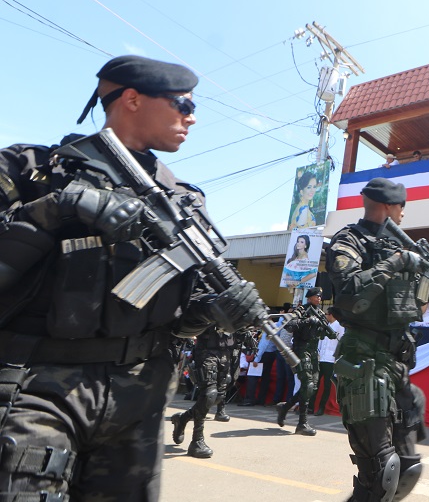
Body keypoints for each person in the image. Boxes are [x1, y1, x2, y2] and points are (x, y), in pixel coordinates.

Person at [0, 55, 267, 499]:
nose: (192, 117)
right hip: (37, 387)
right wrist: (57, 208)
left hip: (138, 399)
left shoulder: (185, 203)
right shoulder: (33, 169)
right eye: (183, 103)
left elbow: (174, 314)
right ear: (132, 99)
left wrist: (212, 311)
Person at [327, 177, 429, 501]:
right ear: (389, 206)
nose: (403, 214)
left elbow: (413, 298)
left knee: (405, 468)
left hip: (396, 361)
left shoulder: (398, 247)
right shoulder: (350, 240)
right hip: (364, 359)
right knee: (381, 470)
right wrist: (396, 262)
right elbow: (348, 293)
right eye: (401, 207)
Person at [276, 287, 336, 434]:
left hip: (314, 351)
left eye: (320, 297)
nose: (319, 299)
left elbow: (321, 334)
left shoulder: (321, 313)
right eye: (317, 296)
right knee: (308, 384)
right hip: (301, 349)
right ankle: (302, 423)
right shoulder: (301, 310)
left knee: (312, 387)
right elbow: (289, 326)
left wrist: (326, 332)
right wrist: (308, 320)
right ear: (309, 297)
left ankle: (285, 406)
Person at [171, 327, 235, 457]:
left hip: (225, 351)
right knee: (208, 395)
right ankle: (197, 441)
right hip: (206, 351)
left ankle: (183, 418)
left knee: (219, 397)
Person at [315, 307, 345, 414]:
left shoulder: (339, 327)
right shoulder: (326, 326)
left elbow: (341, 343)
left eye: (327, 314)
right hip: (321, 358)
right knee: (315, 383)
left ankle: (321, 408)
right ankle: (311, 406)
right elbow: (321, 341)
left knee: (327, 385)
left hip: (331, 359)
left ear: (331, 315)